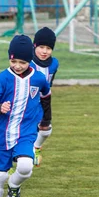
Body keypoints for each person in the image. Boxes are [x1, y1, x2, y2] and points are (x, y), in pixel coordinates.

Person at [0, 35, 51, 197]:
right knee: (0, 175)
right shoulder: (3, 78)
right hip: (1, 134)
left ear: (29, 60)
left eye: (22, 62)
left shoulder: (38, 79)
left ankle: (14, 185)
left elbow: (46, 97)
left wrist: (46, 119)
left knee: (25, 167)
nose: (18, 65)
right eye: (14, 61)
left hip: (26, 133)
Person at [31, 27, 58, 166]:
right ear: (34, 45)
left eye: (48, 48)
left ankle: (36, 148)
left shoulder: (54, 64)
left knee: (46, 129)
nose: (44, 51)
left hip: (43, 101)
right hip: (26, 102)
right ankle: (8, 166)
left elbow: (49, 83)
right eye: (41, 47)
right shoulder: (26, 61)